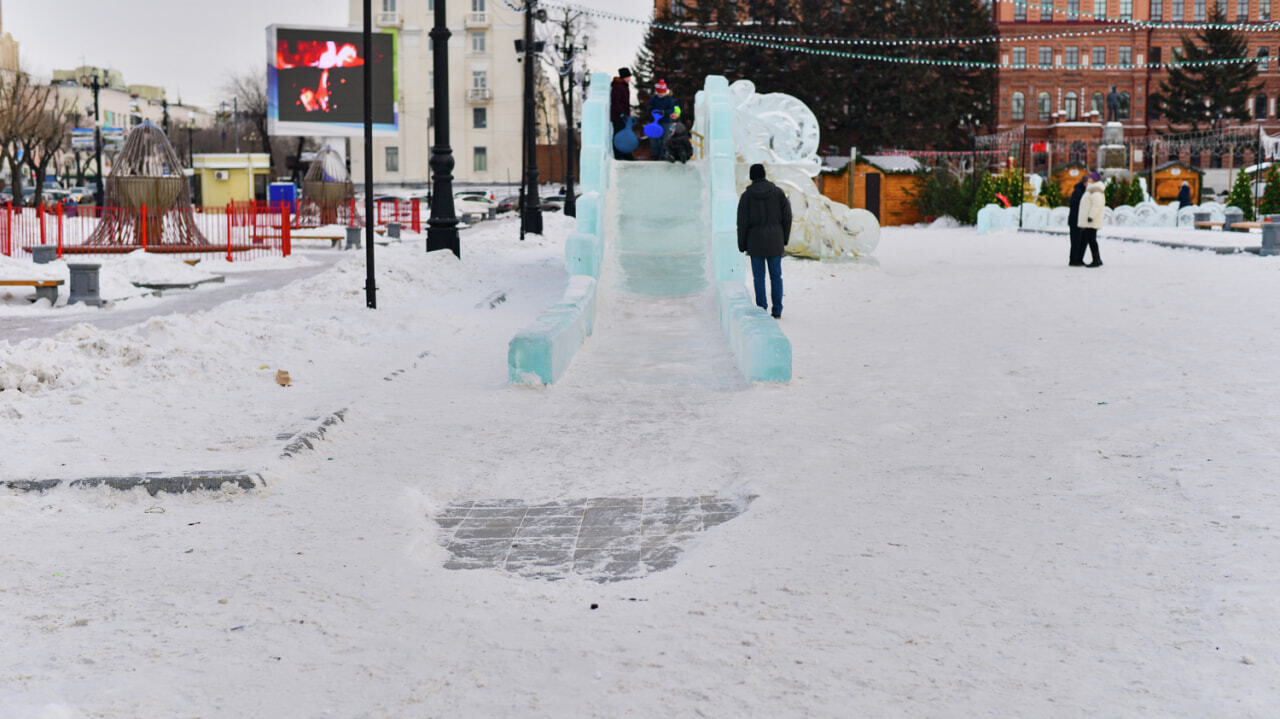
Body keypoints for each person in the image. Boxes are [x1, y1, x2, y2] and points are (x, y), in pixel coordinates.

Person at [737, 163, 792, 318]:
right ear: (764, 174)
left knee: (759, 278)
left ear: (751, 177)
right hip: (775, 240)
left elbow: (742, 222)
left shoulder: (746, 197)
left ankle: (761, 309)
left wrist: (742, 244)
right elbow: (787, 217)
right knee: (776, 276)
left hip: (755, 243)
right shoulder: (778, 193)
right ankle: (777, 310)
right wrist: (784, 238)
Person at [1078, 172, 1105, 268]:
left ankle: (1096, 260)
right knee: (1092, 240)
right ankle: (1097, 259)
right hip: (1089, 220)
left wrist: (1091, 216)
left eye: (1090, 177)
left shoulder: (1095, 190)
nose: (1088, 178)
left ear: (1094, 179)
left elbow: (1097, 204)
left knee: (1092, 240)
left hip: (1091, 220)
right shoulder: (1091, 189)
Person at [646, 79, 676, 161]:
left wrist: (664, 112)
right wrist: (650, 108)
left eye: (661, 93)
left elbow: (671, 109)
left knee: (665, 138)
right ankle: (654, 155)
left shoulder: (669, 99)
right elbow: (649, 105)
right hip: (656, 121)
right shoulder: (654, 98)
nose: (660, 94)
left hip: (665, 121)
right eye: (659, 93)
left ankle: (663, 154)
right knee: (654, 138)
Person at [610, 68, 633, 160]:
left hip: (624, 116)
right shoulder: (618, 86)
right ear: (623, 77)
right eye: (627, 77)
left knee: (624, 135)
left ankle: (625, 153)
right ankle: (618, 154)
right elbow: (616, 102)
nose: (629, 79)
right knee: (618, 135)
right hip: (618, 117)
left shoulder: (624, 85)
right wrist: (621, 114)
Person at [1067, 176, 1088, 266]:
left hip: (1080, 220)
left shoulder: (1083, 191)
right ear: (1084, 183)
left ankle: (1079, 259)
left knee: (1081, 241)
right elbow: (1076, 206)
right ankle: (1074, 260)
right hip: (1075, 220)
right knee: (1076, 241)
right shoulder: (1079, 192)